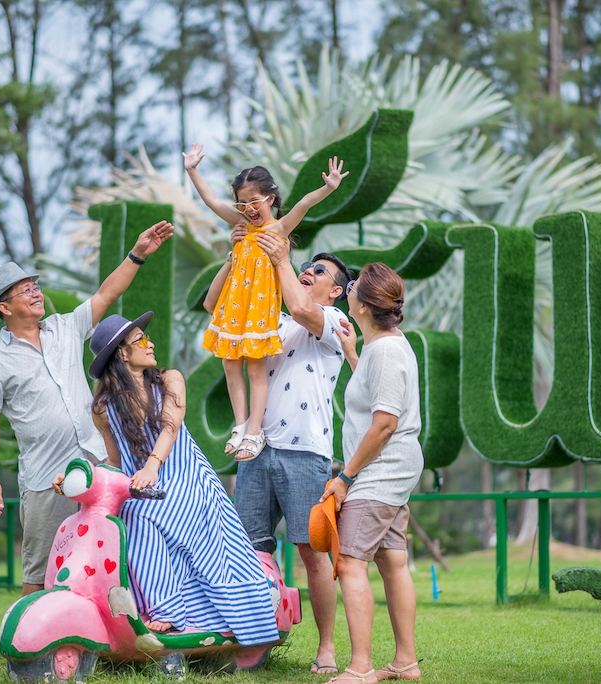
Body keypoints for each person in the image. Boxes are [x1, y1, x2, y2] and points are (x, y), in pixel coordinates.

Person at [0, 220, 173, 596]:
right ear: (5, 307)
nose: (36, 293)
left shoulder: (64, 328)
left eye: (35, 286)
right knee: (41, 567)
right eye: (25, 290)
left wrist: (137, 254)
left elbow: (105, 295)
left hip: (99, 463)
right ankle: (31, 632)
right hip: (45, 477)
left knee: (110, 556)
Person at [72, 312, 280, 645]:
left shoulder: (170, 379)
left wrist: (152, 465)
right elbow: (115, 460)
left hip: (186, 477)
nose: (150, 343)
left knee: (144, 513)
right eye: (140, 339)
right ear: (122, 354)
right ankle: (155, 607)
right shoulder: (103, 408)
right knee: (129, 514)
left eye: (146, 336)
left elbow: (170, 426)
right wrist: (84, 480)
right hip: (143, 485)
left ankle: (170, 610)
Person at [212, 228, 352, 675]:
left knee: (311, 553)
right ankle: (253, 641)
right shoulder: (272, 320)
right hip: (257, 449)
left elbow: (301, 307)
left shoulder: (335, 322)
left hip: (305, 452)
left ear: (336, 291)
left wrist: (282, 260)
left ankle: (326, 647)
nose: (309, 272)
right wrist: (236, 256)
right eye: (308, 266)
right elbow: (217, 308)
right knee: (250, 552)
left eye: (319, 271)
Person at [186, 142, 347, 462]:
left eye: (254, 201)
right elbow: (212, 201)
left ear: (271, 199)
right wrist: (192, 171)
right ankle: (241, 424)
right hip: (235, 307)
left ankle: (255, 429)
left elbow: (304, 203)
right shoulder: (241, 227)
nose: (248, 209)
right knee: (230, 364)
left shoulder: (279, 229)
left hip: (259, 311)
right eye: (242, 203)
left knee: (256, 370)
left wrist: (328, 188)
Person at [321, 263, 424, 683]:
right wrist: (352, 354)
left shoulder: (385, 351)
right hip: (393, 468)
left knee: (349, 562)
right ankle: (406, 662)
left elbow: (384, 423)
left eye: (352, 287)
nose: (346, 290)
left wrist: (345, 478)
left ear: (363, 306)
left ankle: (360, 668)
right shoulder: (383, 346)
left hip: (380, 470)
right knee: (392, 559)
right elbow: (374, 394)